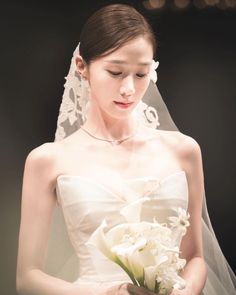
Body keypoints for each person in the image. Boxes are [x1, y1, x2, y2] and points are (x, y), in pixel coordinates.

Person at [16, 4, 236, 295]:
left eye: (142, 74)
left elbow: (195, 256)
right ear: (82, 66)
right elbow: (27, 278)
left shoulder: (183, 151)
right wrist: (108, 293)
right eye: (116, 72)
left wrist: (185, 290)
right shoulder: (48, 160)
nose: (129, 89)